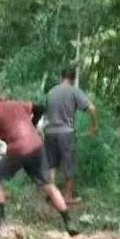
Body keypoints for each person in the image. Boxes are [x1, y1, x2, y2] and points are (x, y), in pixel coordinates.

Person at [0, 89, 77, 235]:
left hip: (18, 150)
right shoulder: (15, 103)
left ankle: (1, 219)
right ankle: (68, 221)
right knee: (49, 185)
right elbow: (39, 108)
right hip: (37, 145)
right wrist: (32, 124)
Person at [43, 67, 98, 205]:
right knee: (69, 164)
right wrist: (94, 126)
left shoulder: (51, 92)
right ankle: (67, 197)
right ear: (73, 79)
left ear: (61, 77)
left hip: (49, 132)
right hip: (65, 134)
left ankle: (51, 195)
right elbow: (92, 108)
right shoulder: (73, 91)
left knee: (52, 165)